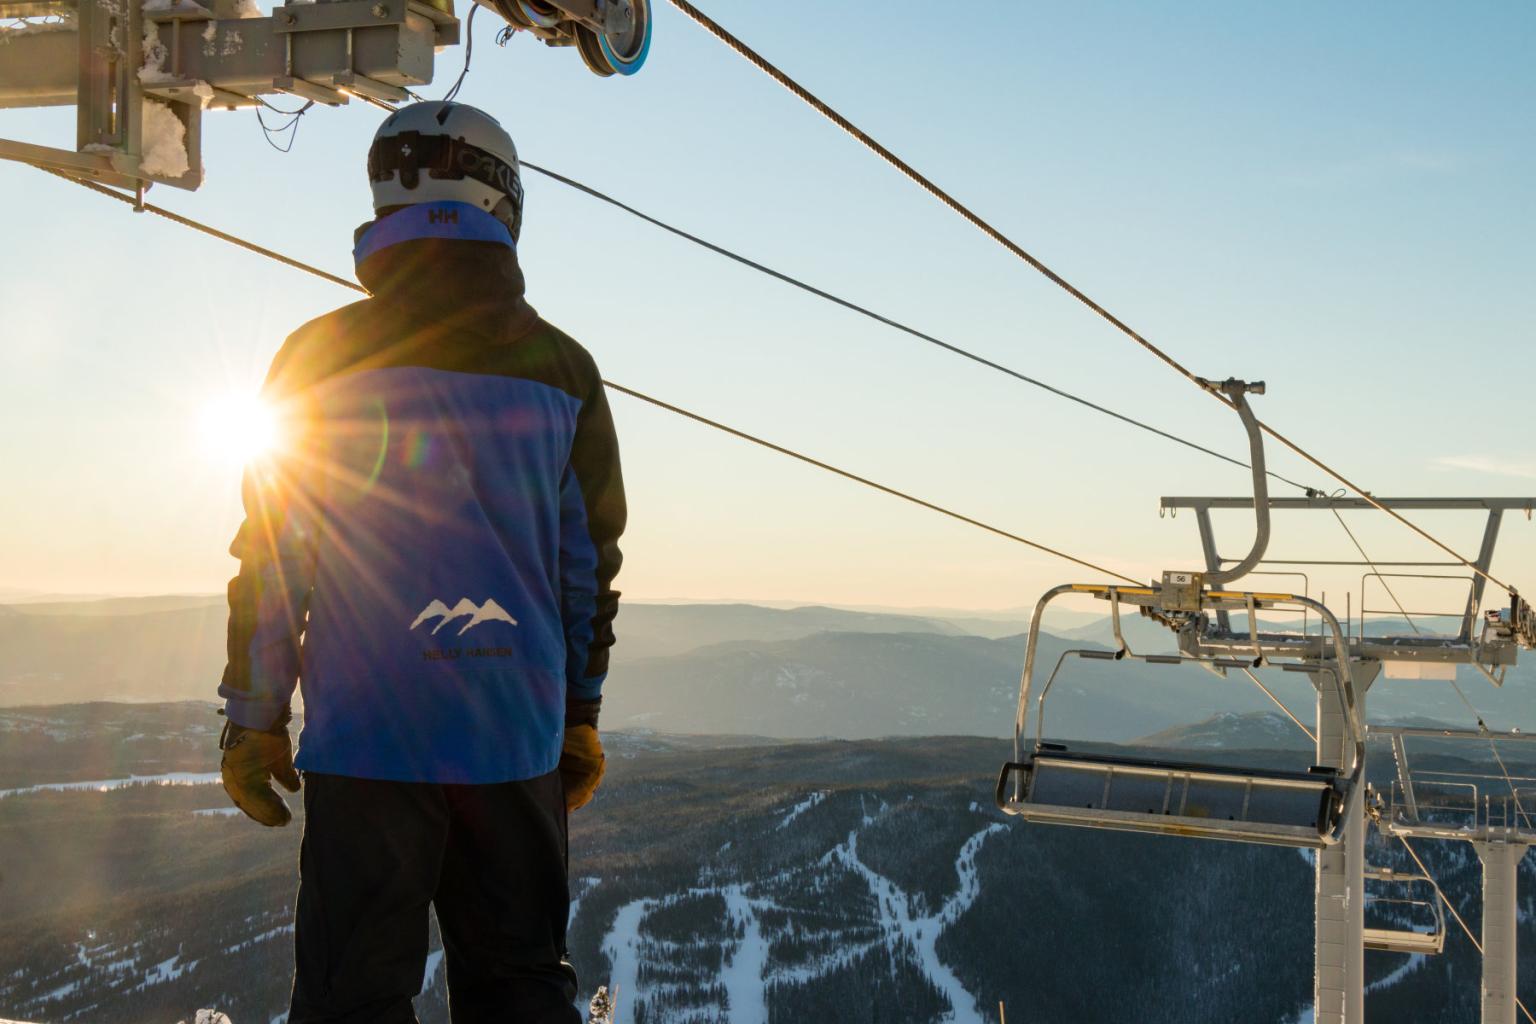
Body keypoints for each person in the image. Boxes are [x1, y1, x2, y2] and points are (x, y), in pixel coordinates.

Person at [214, 100, 626, 1024]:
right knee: (520, 988)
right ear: (502, 201)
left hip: (369, 745)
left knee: (350, 999)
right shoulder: (562, 370)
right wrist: (579, 717)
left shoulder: (315, 360)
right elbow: (584, 569)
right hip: (513, 743)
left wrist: (254, 716)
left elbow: (277, 557)